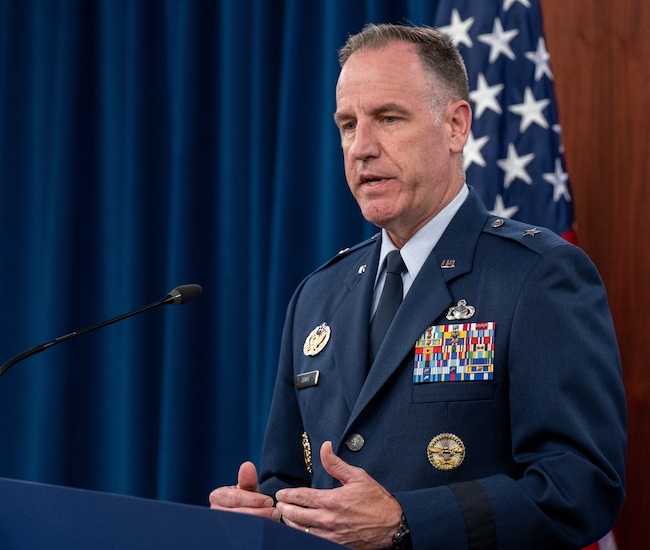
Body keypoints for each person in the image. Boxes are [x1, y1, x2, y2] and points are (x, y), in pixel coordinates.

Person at [209, 23, 626, 549]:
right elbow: (290, 482)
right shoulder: (317, 295)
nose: (361, 147)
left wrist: (406, 521)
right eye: (346, 124)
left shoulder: (537, 275)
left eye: (388, 118)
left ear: (455, 126)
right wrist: (266, 515)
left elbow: (581, 486)